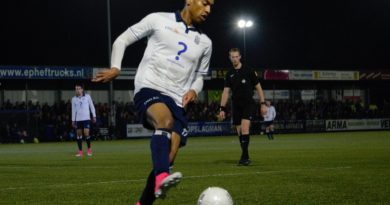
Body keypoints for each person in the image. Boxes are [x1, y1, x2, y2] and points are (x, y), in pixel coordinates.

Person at [92, 0, 214, 204]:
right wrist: (116, 68)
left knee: (168, 158)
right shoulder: (157, 19)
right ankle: (161, 177)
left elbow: (201, 75)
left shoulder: (205, 42)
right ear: (189, 1)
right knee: (164, 122)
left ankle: (145, 199)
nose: (208, 10)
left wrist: (194, 89)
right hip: (149, 88)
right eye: (205, 3)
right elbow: (122, 40)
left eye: (211, 6)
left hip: (178, 100)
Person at [219, 48, 267, 166]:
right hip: (236, 105)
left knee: (245, 128)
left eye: (236, 56)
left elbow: (259, 88)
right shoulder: (229, 73)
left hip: (248, 104)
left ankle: (244, 157)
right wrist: (222, 108)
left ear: (240, 57)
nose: (234, 59)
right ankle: (245, 155)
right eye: (232, 57)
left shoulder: (249, 70)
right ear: (230, 58)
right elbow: (225, 92)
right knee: (240, 131)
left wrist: (262, 104)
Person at [71, 83, 96, 157]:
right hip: (78, 119)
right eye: (76, 89)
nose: (77, 90)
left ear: (82, 89)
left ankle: (89, 149)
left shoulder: (87, 97)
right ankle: (80, 152)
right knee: (79, 134)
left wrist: (94, 116)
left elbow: (92, 106)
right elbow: (73, 110)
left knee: (86, 133)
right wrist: (73, 120)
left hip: (86, 118)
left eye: (78, 89)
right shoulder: (74, 99)